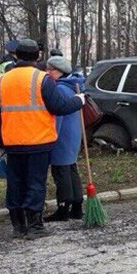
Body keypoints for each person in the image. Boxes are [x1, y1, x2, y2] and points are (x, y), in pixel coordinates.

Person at [0, 39, 85, 240]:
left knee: (15, 183)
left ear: (16, 55)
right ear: (38, 56)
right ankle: (35, 225)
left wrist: (1, 142)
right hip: (38, 142)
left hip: (12, 142)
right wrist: (79, 101)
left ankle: (18, 226)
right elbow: (59, 107)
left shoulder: (2, 80)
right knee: (36, 183)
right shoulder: (42, 79)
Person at [45, 56, 86, 222]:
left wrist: (51, 138)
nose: (47, 73)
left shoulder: (60, 89)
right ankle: (77, 206)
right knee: (71, 169)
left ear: (58, 71)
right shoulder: (73, 86)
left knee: (61, 171)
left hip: (62, 137)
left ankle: (63, 207)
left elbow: (58, 116)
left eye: (50, 70)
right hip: (73, 134)